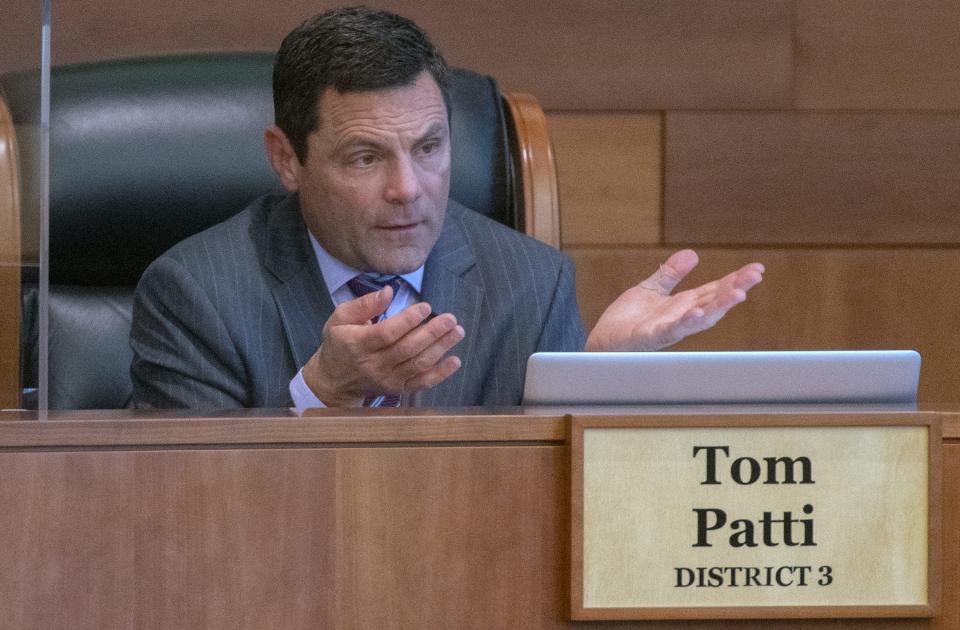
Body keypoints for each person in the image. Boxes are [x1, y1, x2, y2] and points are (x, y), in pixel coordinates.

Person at [129, 7, 764, 409]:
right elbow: (185, 515)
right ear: (287, 159)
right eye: (365, 157)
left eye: (428, 147)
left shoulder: (533, 285)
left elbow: (563, 508)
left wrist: (597, 382)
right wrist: (322, 396)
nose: (409, 188)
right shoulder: (195, 294)